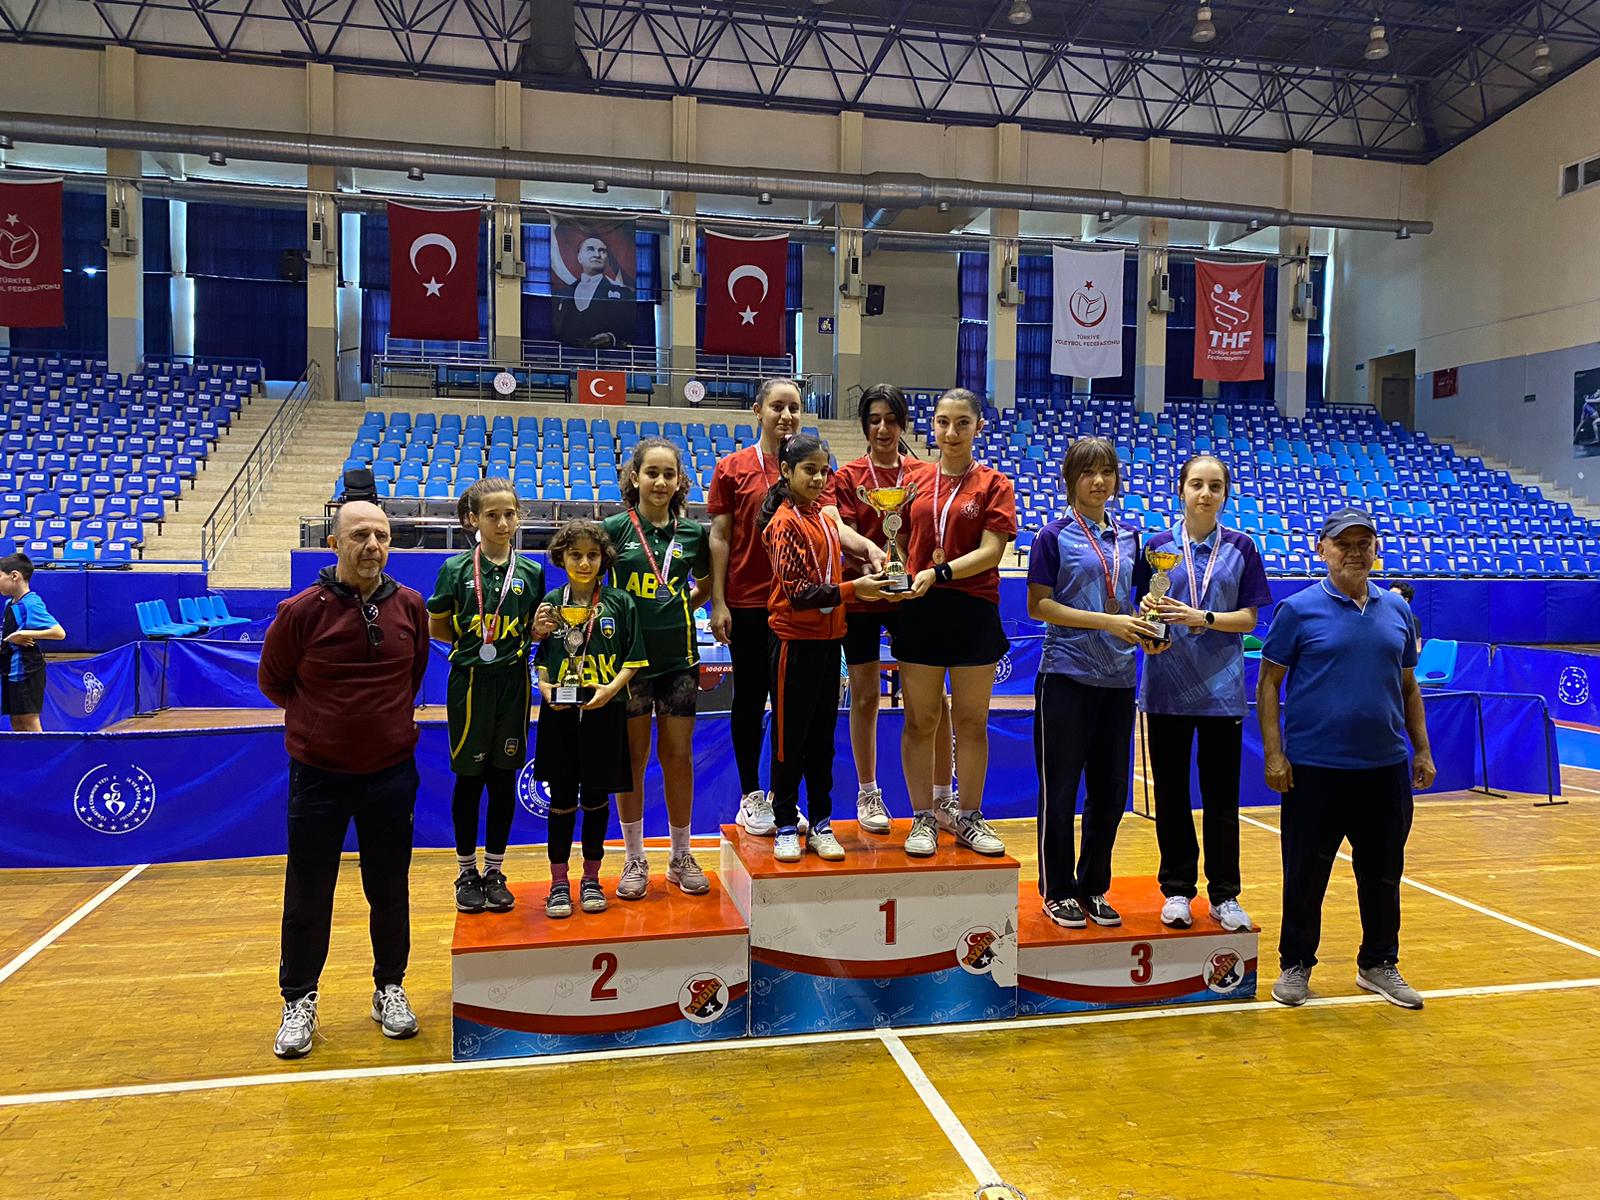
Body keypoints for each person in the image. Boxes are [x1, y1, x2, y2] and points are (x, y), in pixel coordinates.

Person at [259, 501, 431, 1060]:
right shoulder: (299, 612)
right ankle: (298, 1000)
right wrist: (323, 726)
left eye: (381, 536)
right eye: (359, 535)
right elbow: (273, 682)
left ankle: (390, 988)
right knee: (308, 893)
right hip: (319, 777)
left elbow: (414, 673)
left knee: (390, 889)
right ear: (334, 544)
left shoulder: (411, 606)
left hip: (392, 775)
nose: (372, 546)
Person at [1258, 506, 1436, 1011]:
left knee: (1383, 873)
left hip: (1384, 769)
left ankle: (1378, 963)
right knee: (1305, 874)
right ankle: (1296, 964)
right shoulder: (1297, 610)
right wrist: (1274, 754)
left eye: (1364, 544)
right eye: (1343, 544)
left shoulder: (1397, 610)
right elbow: (1268, 684)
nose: (1355, 553)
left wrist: (1422, 748)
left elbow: (1408, 686)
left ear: (1376, 550)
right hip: (1315, 770)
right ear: (1323, 549)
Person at [708, 378, 882, 837]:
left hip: (803, 611)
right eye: (778, 407)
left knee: (797, 712)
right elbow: (720, 536)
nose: (786, 416)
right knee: (750, 698)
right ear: (758, 411)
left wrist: (869, 548)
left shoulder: (814, 466)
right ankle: (752, 795)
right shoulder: (732, 467)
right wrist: (718, 601)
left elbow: (834, 523)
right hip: (750, 600)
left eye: (795, 408)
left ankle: (786, 800)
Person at [1027, 438, 1166, 928]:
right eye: (1088, 471)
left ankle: (1092, 887)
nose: (1099, 481)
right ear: (1071, 479)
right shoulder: (1053, 536)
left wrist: (1149, 627)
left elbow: (1142, 601)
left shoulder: (1131, 539)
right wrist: (1109, 622)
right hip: (1065, 676)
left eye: (1107, 471)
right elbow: (1038, 606)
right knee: (1060, 789)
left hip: (1119, 680)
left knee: (1110, 794)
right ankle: (1058, 889)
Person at [1132, 454, 1272, 933]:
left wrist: (1203, 618)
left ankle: (1225, 895)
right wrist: (1149, 632)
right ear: (1181, 490)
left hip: (1221, 693)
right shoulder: (1156, 547)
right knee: (1171, 795)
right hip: (1166, 690)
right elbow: (1143, 610)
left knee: (1221, 799)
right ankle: (1176, 890)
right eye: (1196, 484)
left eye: (1215, 486)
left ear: (1225, 494)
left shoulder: (1242, 547)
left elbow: (1249, 620)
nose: (1205, 494)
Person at [759, 433, 893, 861]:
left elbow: (834, 567)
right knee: (790, 740)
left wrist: (872, 559)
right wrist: (856, 590)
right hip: (793, 644)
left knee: (822, 740)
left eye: (823, 471)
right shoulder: (783, 523)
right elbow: (798, 593)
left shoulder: (824, 519)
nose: (818, 479)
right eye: (809, 470)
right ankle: (785, 822)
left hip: (829, 641)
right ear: (786, 471)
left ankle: (821, 822)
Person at [895, 387, 1014, 858]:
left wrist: (940, 572)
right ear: (933, 426)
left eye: (962, 423)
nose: (951, 432)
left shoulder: (994, 484)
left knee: (971, 721)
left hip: (972, 608)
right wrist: (907, 569)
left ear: (978, 427)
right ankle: (923, 817)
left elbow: (992, 551)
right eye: (943, 422)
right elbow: (900, 533)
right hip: (921, 608)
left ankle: (969, 816)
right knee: (920, 719)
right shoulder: (915, 479)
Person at [833, 383, 956, 833]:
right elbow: (844, 535)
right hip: (865, 595)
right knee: (865, 695)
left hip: (914, 598)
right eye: (874, 420)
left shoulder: (925, 474)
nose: (882, 429)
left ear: (903, 423)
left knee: (932, 699)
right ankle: (868, 793)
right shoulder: (848, 476)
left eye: (890, 419)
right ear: (865, 425)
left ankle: (943, 796)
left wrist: (915, 565)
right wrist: (873, 566)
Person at [427, 479, 553, 915]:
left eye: (509, 515)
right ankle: (466, 871)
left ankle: (495, 870)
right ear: (473, 519)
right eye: (492, 515)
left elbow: (534, 626)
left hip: (514, 684)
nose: (502, 523)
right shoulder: (455, 569)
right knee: (469, 779)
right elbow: (438, 625)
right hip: (470, 684)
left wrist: (535, 633)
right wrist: (474, 645)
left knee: (502, 779)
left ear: (519, 518)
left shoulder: (532, 571)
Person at [605, 437, 712, 900]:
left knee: (678, 756)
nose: (661, 482)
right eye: (652, 473)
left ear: (680, 480)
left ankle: (680, 855)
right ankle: (634, 858)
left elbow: (705, 584)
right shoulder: (614, 529)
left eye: (669, 474)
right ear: (635, 477)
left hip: (678, 660)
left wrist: (679, 608)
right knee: (632, 759)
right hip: (628, 664)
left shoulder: (693, 534)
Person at [533, 519, 648, 919]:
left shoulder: (620, 603)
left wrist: (610, 691)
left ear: (604, 559)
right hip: (560, 712)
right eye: (575, 555)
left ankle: (592, 879)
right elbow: (542, 660)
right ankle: (558, 883)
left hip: (606, 710)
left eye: (592, 555)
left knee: (597, 800)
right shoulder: (551, 603)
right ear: (561, 558)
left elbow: (633, 658)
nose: (584, 563)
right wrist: (544, 688)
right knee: (562, 800)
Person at [0, 552, 66, 732]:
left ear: (15, 576)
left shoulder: (31, 603)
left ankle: (40, 751)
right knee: (16, 721)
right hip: (10, 669)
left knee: (29, 721)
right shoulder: (9, 603)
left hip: (27, 669)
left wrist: (24, 633)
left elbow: (59, 632)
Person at [552, 235, 634, 349]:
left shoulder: (623, 294)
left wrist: (611, 338)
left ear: (607, 258)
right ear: (579, 257)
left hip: (605, 356)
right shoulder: (563, 294)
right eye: (590, 249)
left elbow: (628, 328)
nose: (597, 254)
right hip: (567, 356)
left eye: (602, 251)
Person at [1389, 581, 1424, 654]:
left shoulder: (1413, 621)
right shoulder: (1383, 617)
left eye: (1394, 595)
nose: (1389, 598)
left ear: (1405, 600)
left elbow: (1417, 649)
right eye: (1388, 594)